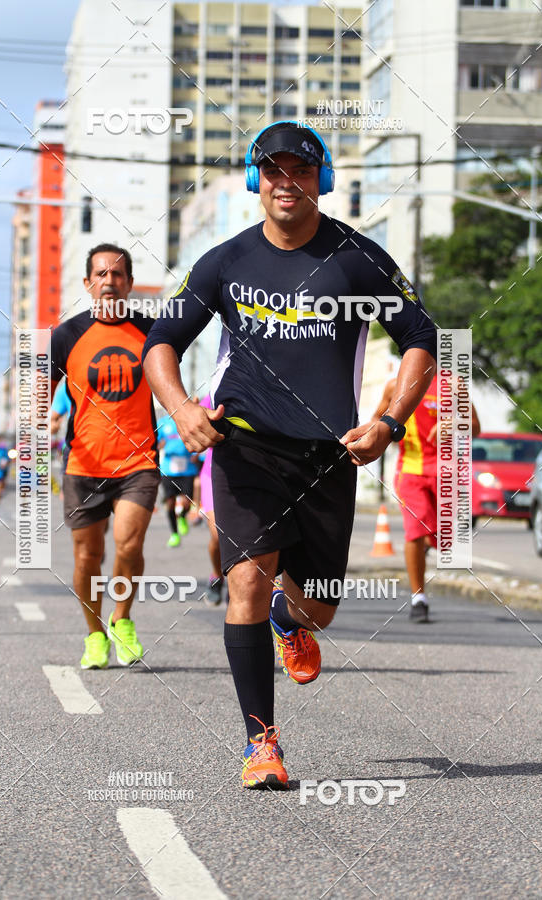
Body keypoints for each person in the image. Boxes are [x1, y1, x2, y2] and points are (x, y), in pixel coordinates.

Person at [143, 120, 438, 789]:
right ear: (256, 180)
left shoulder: (359, 259)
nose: (286, 183)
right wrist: (184, 409)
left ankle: (290, 619)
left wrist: (391, 420)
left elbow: (422, 337)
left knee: (319, 606)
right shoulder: (226, 261)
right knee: (246, 577)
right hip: (244, 444)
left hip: (330, 455)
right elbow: (161, 341)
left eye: (300, 171)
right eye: (273, 171)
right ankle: (261, 745)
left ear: (320, 180)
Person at [50, 243, 160, 670]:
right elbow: (43, 389)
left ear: (129, 283)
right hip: (84, 464)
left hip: (138, 461)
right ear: (87, 283)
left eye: (117, 275)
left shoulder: (152, 332)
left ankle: (123, 619)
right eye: (101, 274)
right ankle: (94, 633)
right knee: (86, 557)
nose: (109, 282)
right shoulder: (67, 335)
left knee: (128, 543)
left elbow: (169, 381)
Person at [373, 374, 481, 622]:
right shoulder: (395, 385)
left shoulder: (454, 385)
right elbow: (377, 420)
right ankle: (418, 598)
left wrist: (455, 423)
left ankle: (426, 547)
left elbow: (475, 426)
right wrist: (384, 432)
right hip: (410, 471)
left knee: (441, 541)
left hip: (446, 473)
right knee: (416, 528)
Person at [157, 414, 199, 548]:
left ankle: (182, 516)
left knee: (187, 501)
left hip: (187, 469)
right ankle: (174, 534)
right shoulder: (162, 423)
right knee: (170, 503)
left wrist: (196, 453)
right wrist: (159, 445)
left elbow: (196, 439)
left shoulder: (188, 419)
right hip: (168, 470)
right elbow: (154, 443)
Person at [198, 395, 225, 606]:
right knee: (218, 533)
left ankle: (239, 584)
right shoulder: (212, 396)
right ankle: (217, 576)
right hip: (214, 469)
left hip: (255, 468)